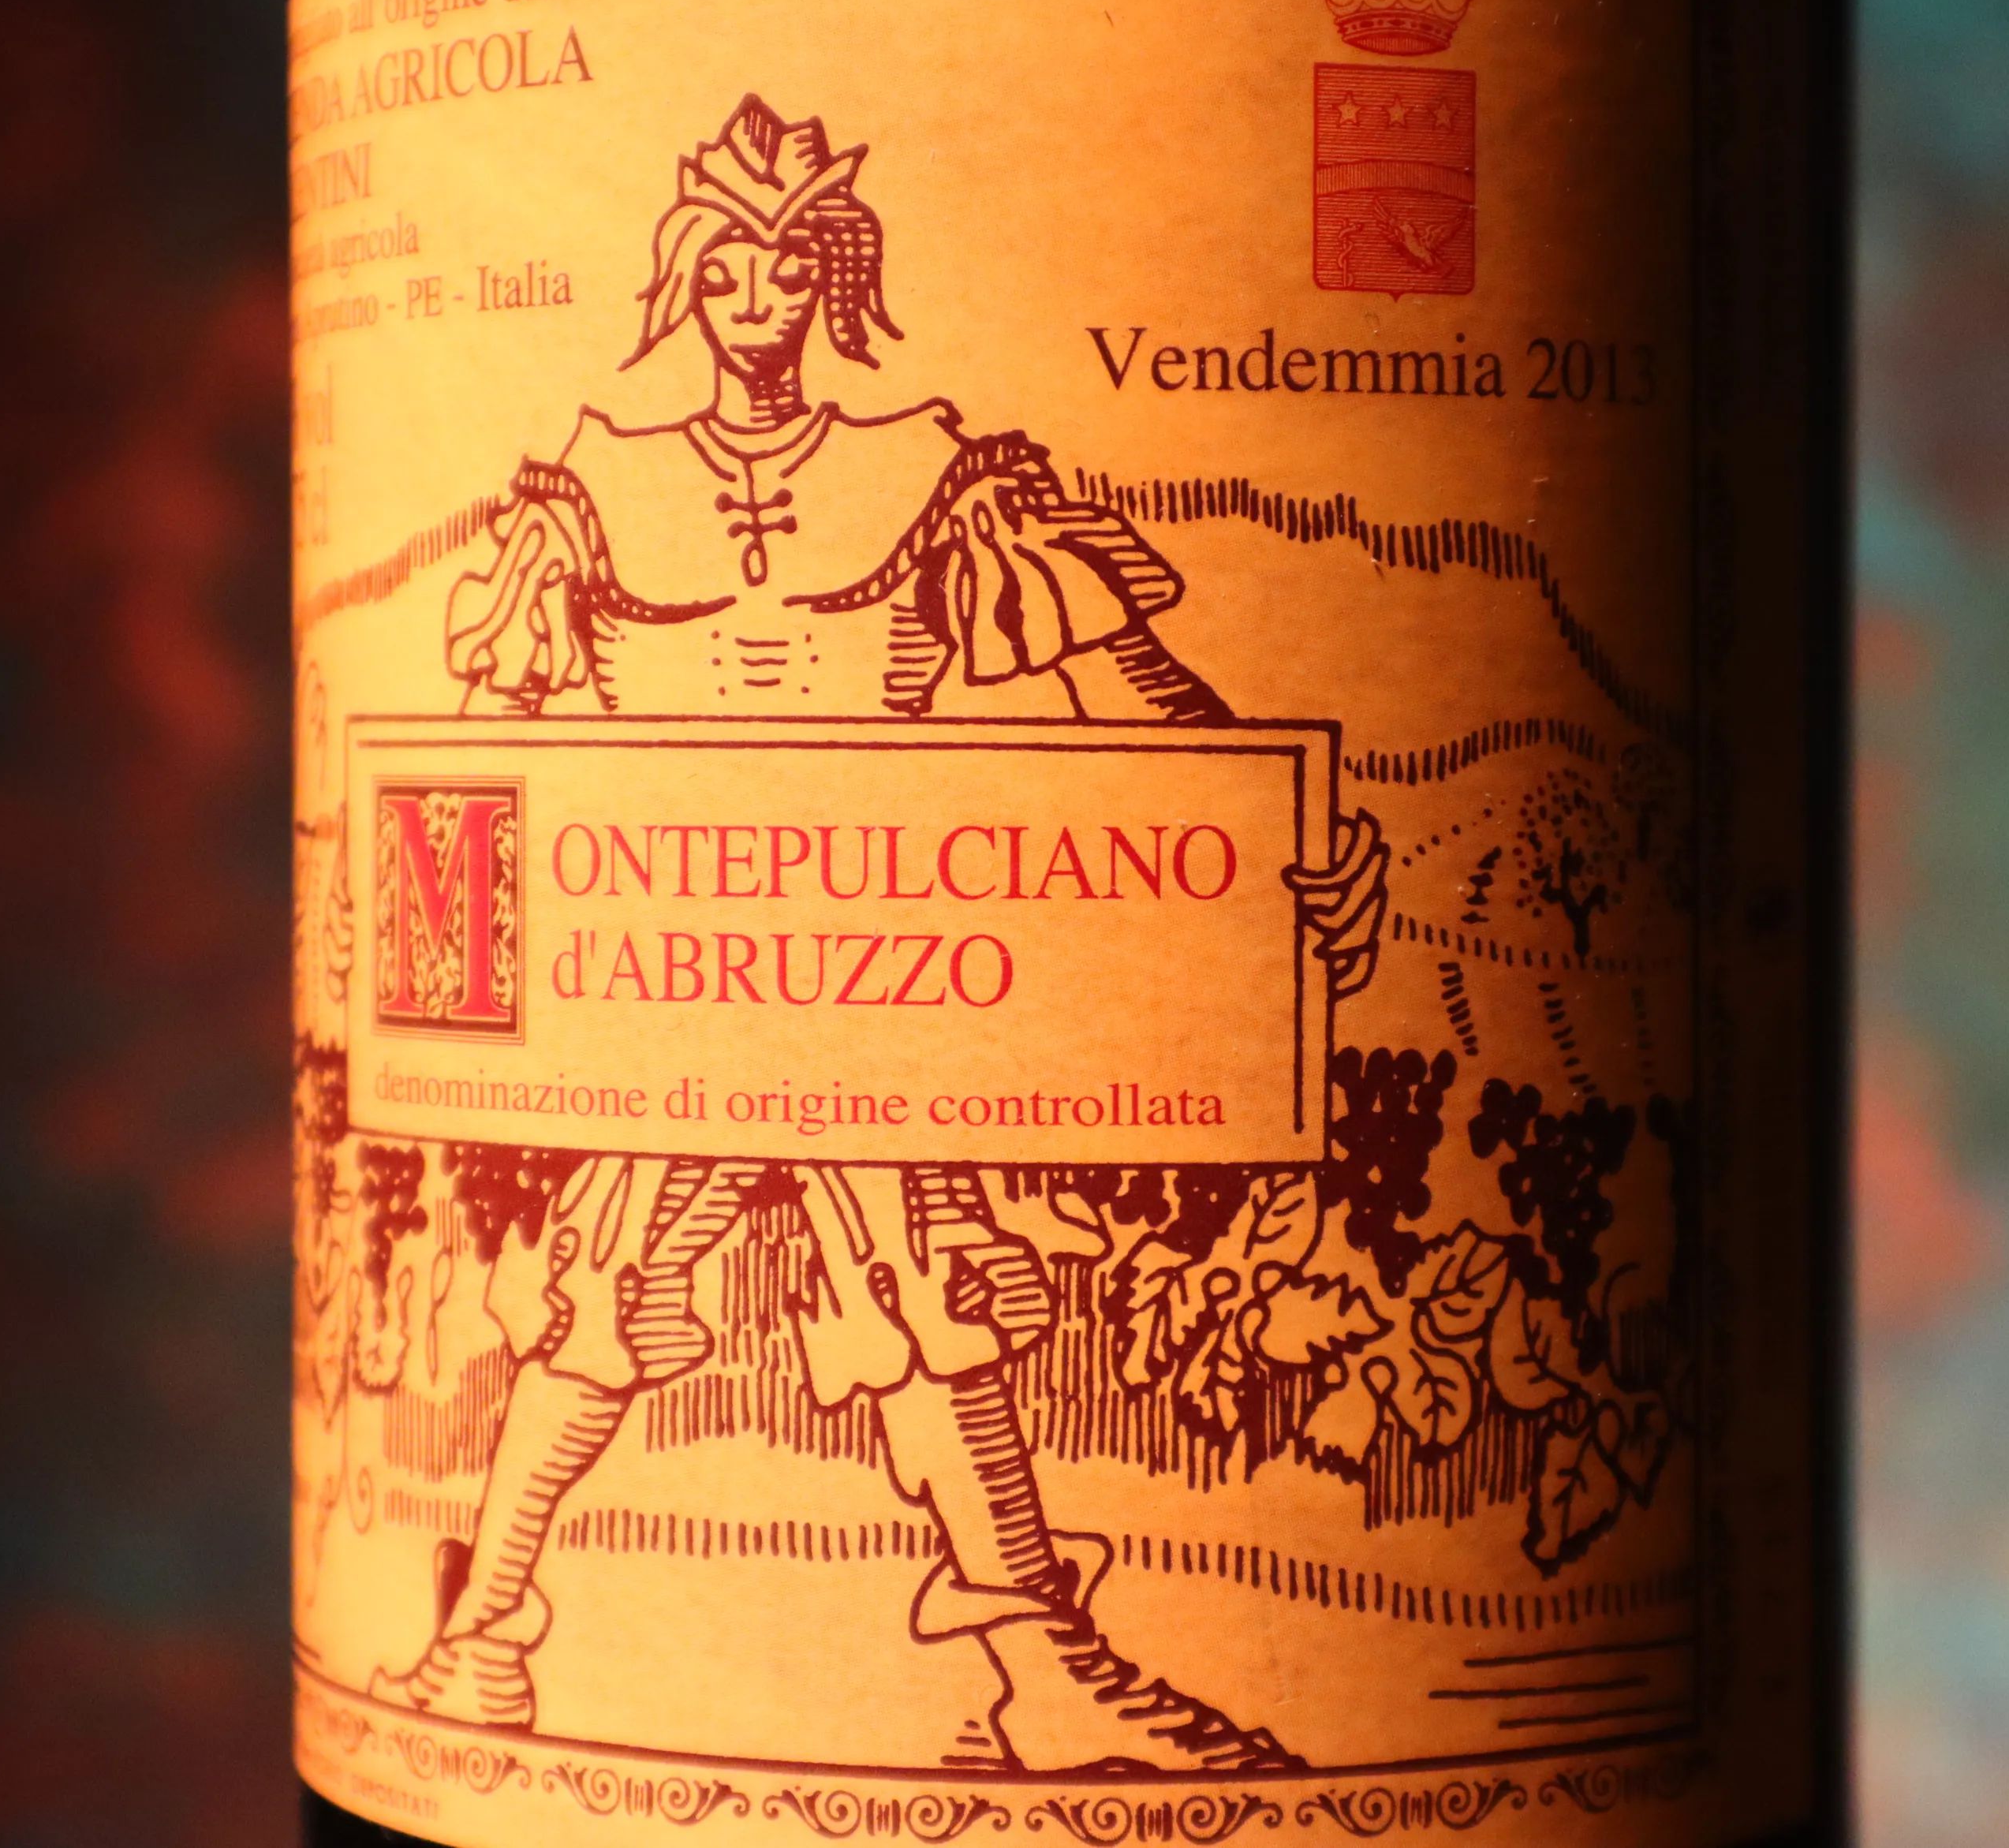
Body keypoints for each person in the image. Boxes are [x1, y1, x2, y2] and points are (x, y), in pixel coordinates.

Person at [371, 95, 1383, 1772]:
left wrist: (1295, 844)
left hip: (878, 995)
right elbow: (485, 732)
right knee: (607, 1295)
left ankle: (1029, 1668)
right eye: (726, 268)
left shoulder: (927, 469)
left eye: (791, 266)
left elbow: (1122, 674)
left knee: (919, 1288)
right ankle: (491, 1646)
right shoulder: (597, 484)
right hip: (669, 996)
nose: (757, 299)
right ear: (685, 280)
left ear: (837, 279)